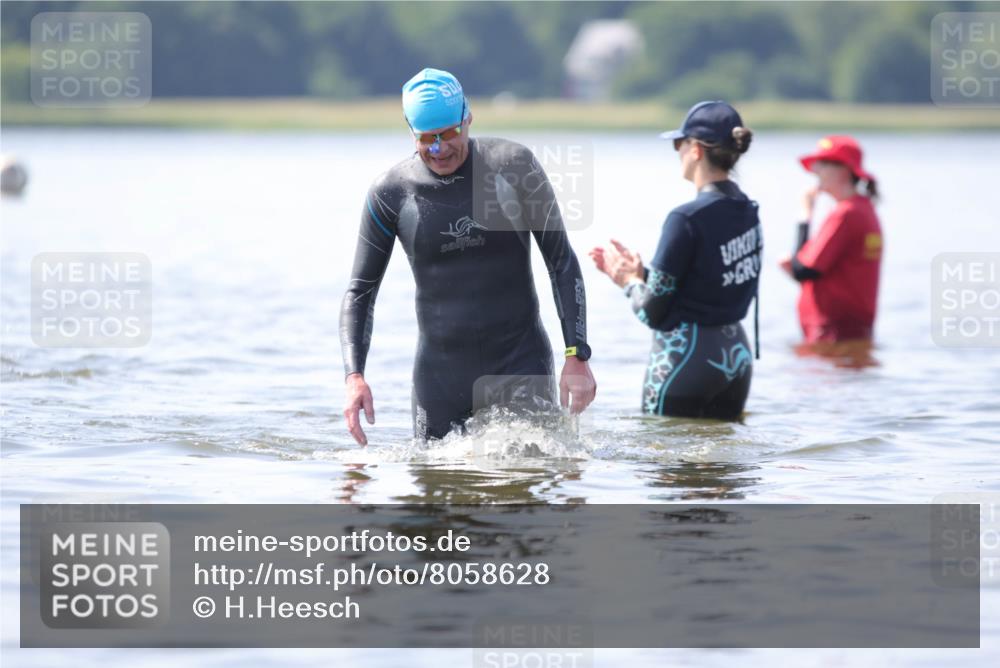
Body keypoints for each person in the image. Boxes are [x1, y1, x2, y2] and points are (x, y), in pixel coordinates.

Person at [340, 68, 596, 444]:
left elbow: (561, 261)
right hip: (440, 377)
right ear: (410, 131)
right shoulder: (391, 192)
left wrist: (577, 354)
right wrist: (354, 376)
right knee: (436, 491)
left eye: (449, 134)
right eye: (426, 138)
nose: (439, 149)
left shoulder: (513, 166)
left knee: (527, 485)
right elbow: (360, 292)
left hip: (519, 364)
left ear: (468, 118)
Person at [590, 101, 760, 421]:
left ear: (695, 149)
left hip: (687, 358)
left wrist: (628, 281)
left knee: (662, 462)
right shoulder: (748, 211)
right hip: (736, 357)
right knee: (724, 468)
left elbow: (652, 312)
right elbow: (710, 284)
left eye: (677, 144)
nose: (676, 152)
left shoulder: (685, 218)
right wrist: (645, 273)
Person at [779, 135, 882, 355]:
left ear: (844, 170)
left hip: (831, 336)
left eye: (822, 164)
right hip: (848, 332)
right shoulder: (864, 209)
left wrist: (805, 213)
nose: (815, 171)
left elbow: (806, 269)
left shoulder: (846, 213)